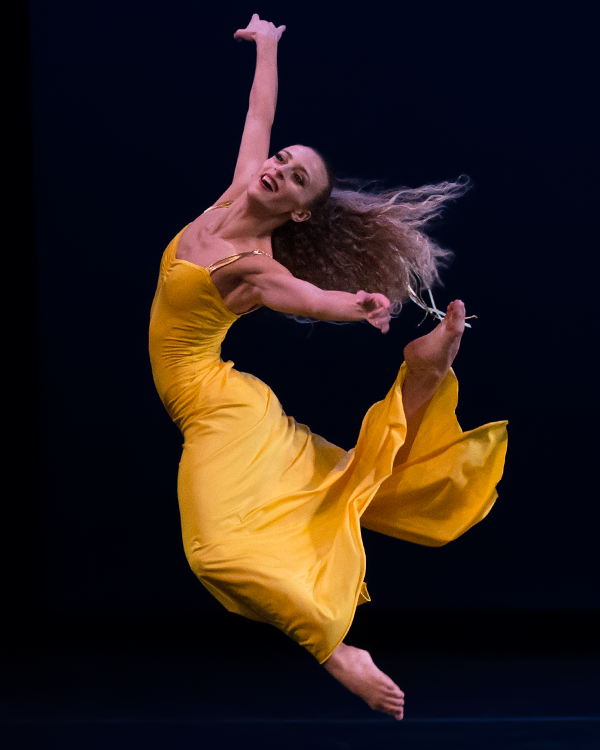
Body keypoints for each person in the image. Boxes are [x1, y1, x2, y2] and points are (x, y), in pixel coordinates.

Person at [149, 15, 507, 721]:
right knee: (315, 496)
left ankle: (335, 649)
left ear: (299, 213)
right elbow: (260, 114)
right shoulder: (234, 192)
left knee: (214, 553)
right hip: (222, 398)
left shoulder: (252, 263)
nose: (277, 167)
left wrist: (358, 304)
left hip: (215, 409)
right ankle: (419, 379)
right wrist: (269, 46)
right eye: (282, 159)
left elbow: (307, 297)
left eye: (295, 177)